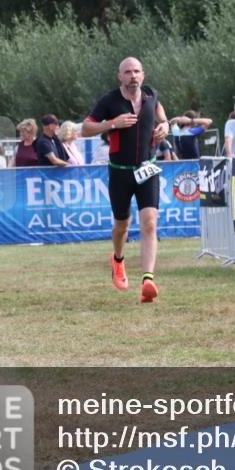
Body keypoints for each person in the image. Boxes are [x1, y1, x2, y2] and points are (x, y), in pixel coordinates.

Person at [81, 56, 170, 303]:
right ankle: (118, 259)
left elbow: (163, 118)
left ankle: (148, 280)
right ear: (120, 76)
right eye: (128, 72)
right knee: (122, 225)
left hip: (148, 168)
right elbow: (85, 129)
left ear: (143, 75)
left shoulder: (152, 94)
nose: (133, 76)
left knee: (150, 222)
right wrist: (112, 123)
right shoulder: (109, 101)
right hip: (120, 171)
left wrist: (166, 127)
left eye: (137, 71)